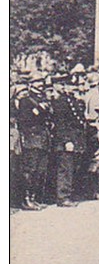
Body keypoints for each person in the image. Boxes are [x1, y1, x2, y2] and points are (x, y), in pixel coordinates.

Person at [47, 75, 88, 206]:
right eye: (62, 85)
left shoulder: (71, 100)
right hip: (66, 139)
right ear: (55, 86)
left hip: (76, 138)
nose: (65, 87)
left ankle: (69, 194)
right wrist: (66, 141)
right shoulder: (60, 102)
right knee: (65, 168)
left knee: (72, 167)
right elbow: (61, 124)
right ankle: (62, 197)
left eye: (67, 85)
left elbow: (80, 121)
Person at [13, 72, 51, 210]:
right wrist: (40, 110)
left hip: (42, 137)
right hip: (31, 137)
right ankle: (26, 199)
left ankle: (34, 198)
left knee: (40, 170)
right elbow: (25, 120)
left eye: (41, 81)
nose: (40, 83)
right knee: (30, 169)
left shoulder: (42, 98)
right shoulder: (26, 100)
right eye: (37, 81)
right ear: (31, 84)